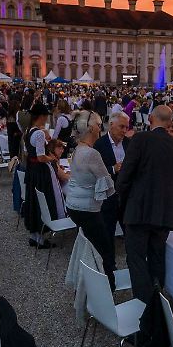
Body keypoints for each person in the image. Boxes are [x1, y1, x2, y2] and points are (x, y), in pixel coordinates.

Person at [116, 105, 173, 313]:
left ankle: (145, 309)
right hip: (165, 212)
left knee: (136, 258)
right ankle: (157, 305)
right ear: (170, 123)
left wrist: (125, 198)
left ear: (150, 118)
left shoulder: (140, 140)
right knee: (157, 257)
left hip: (139, 209)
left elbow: (124, 178)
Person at [65, 111, 118, 286]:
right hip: (88, 208)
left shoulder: (78, 149)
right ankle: (105, 288)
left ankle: (89, 283)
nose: (100, 128)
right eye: (97, 125)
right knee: (104, 251)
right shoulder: (92, 153)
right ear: (90, 128)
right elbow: (107, 185)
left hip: (74, 204)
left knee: (92, 245)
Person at [22, 103, 63, 248]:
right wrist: (51, 158)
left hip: (32, 170)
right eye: (46, 116)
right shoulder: (38, 133)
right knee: (43, 200)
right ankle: (39, 234)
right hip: (40, 170)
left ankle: (35, 235)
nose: (47, 119)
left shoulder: (29, 130)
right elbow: (40, 157)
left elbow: (29, 153)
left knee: (34, 200)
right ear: (41, 116)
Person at [94, 112, 130, 240]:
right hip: (109, 195)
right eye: (122, 127)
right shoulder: (100, 144)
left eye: (127, 127)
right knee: (107, 230)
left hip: (126, 195)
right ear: (111, 125)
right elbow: (95, 171)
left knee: (129, 231)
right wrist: (113, 169)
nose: (124, 130)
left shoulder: (128, 143)